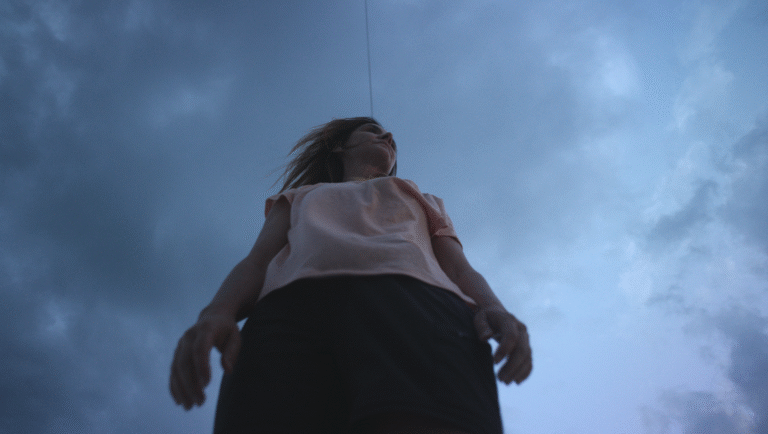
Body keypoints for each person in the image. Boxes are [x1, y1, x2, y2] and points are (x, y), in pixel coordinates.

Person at [169, 117, 532, 434]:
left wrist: (493, 307)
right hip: (288, 318)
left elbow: (458, 267)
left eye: (391, 136)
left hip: (417, 307)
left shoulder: (422, 198)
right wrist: (217, 312)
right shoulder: (297, 197)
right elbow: (257, 262)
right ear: (339, 145)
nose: (388, 137)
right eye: (374, 131)